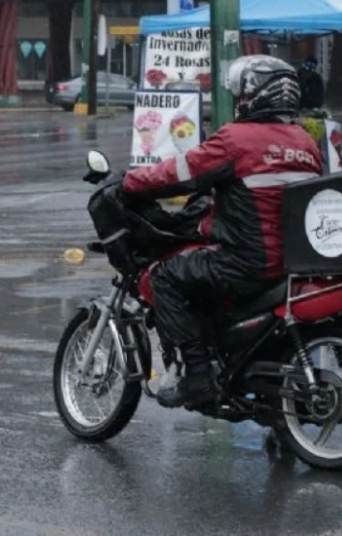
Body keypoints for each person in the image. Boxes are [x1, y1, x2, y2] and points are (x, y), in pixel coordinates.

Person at [120, 55, 323, 408]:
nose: (239, 102)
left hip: (247, 261)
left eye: (242, 95)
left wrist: (129, 182)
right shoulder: (304, 142)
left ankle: (196, 376)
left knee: (164, 276)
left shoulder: (236, 139)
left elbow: (180, 173)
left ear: (254, 96)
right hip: (293, 262)